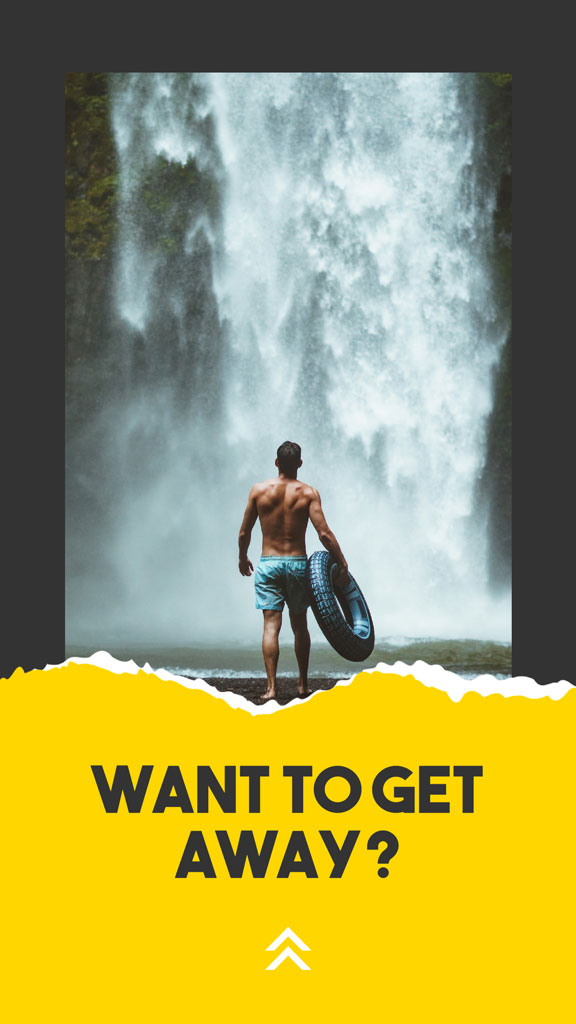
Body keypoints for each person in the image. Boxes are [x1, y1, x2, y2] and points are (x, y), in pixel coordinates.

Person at [238, 441, 348, 701]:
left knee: (270, 627)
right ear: (300, 463)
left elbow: (245, 532)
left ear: (276, 463)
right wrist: (342, 562)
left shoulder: (259, 491)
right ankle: (302, 685)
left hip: (269, 563)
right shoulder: (308, 493)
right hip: (298, 564)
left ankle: (271, 688)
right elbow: (324, 533)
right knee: (300, 626)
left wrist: (242, 557)